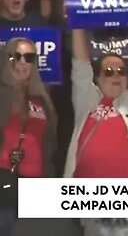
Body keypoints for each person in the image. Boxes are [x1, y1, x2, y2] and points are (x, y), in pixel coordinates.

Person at [62, 0, 128, 236]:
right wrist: (76, 20)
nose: (116, 75)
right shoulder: (86, 99)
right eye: (108, 71)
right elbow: (80, 65)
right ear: (97, 78)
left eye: (121, 71)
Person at [0, 38, 57, 235]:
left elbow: (48, 143)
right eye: (17, 56)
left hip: (35, 188)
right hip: (6, 183)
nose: (23, 62)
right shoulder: (2, 94)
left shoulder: (41, 98)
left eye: (29, 57)